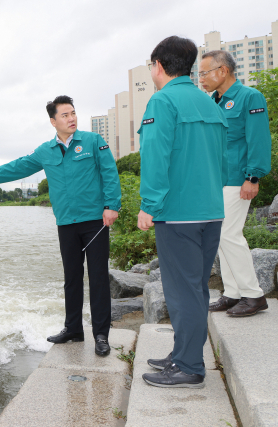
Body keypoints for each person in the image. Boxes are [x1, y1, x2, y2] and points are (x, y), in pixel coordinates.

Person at [0, 95, 121, 357]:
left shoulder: (94, 141)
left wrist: (112, 205)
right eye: (65, 115)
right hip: (66, 223)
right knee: (71, 279)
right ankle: (73, 328)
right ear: (53, 121)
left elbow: (109, 172)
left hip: (95, 221)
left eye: (73, 113)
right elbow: (18, 167)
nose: (71, 118)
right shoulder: (45, 151)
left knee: (97, 279)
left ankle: (101, 334)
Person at [138, 36, 229, 388]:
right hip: (210, 211)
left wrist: (149, 205)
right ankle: (181, 353)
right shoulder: (211, 105)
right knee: (196, 289)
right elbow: (223, 160)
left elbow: (156, 157)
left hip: (177, 214)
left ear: (158, 65)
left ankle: (190, 366)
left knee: (183, 292)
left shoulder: (162, 102)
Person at [199, 50, 272, 317]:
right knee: (220, 237)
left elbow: (259, 140)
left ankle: (253, 295)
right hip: (216, 180)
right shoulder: (213, 102)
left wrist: (253, 177)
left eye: (205, 73)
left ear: (223, 71)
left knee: (230, 234)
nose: (201, 78)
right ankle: (232, 293)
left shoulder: (250, 97)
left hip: (238, 179)